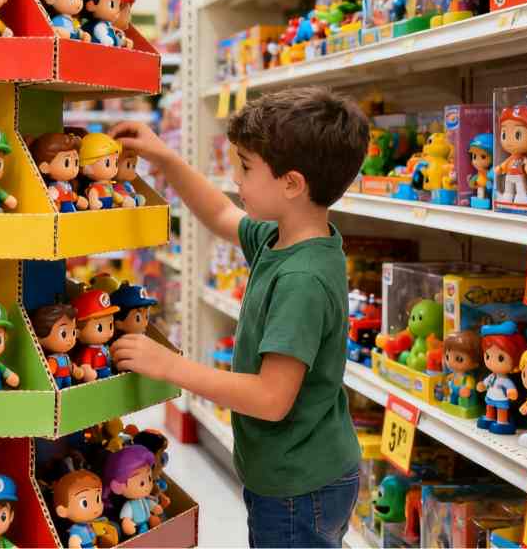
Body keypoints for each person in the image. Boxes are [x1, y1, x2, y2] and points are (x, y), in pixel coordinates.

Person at [110, 86, 370, 549]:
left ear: (292, 184)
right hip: (301, 469)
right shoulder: (283, 237)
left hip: (298, 484)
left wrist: (172, 367)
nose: (237, 180)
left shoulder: (302, 280)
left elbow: (272, 398)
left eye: (246, 168)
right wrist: (164, 158)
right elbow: (218, 212)